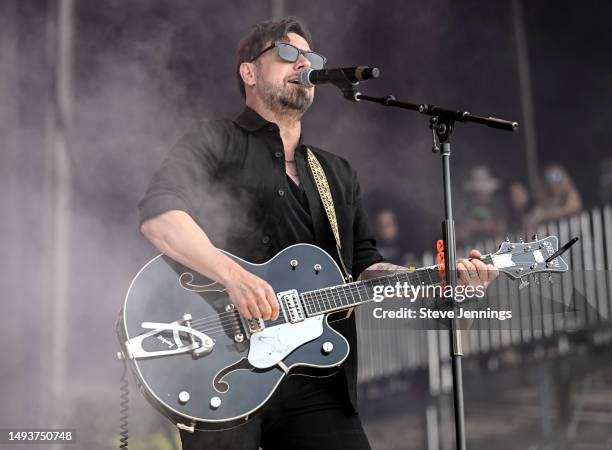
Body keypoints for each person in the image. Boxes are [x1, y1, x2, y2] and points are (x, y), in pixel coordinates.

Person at [137, 16, 498, 450]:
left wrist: (437, 282)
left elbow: (366, 267)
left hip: (319, 381)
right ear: (249, 72)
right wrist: (234, 277)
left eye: (311, 58)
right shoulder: (216, 140)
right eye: (288, 54)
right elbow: (160, 216)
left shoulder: (336, 173)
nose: (303, 63)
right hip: (222, 372)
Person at [456, 165, 506, 245]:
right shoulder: (466, 205)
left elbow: (503, 229)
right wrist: (467, 228)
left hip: (495, 247)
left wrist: (483, 226)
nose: (480, 185)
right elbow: (459, 234)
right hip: (471, 248)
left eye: (483, 181)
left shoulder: (498, 204)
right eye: (477, 181)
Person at [525, 163, 582, 231]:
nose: (553, 182)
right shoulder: (545, 200)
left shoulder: (570, 194)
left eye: (557, 177)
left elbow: (571, 209)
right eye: (549, 178)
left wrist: (545, 215)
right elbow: (536, 213)